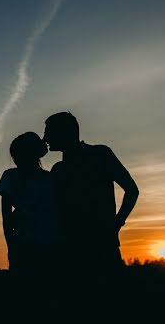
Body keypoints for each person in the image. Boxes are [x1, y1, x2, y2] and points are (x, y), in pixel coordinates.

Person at [43, 112, 138, 275]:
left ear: (65, 132)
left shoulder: (101, 154)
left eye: (48, 132)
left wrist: (117, 223)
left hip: (101, 246)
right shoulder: (58, 170)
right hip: (68, 249)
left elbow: (131, 189)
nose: (45, 138)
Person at [0, 132, 61, 273]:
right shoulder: (11, 176)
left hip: (49, 244)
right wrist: (11, 246)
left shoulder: (51, 179)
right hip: (25, 244)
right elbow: (6, 218)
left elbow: (7, 217)